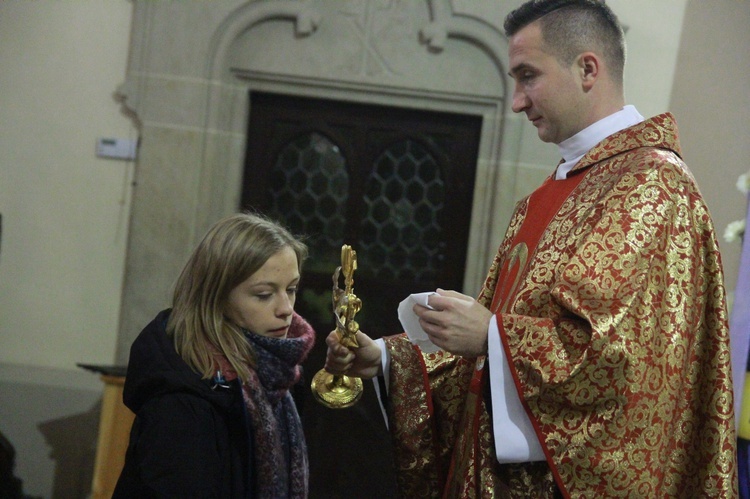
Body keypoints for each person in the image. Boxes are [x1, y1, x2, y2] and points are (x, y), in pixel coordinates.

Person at [324, 0, 738, 497]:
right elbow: (490, 358)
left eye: (528, 76)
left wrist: (493, 337)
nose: (517, 101)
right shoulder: (548, 195)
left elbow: (620, 369)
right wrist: (391, 361)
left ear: (588, 68)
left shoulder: (651, 188)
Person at [113, 212, 315, 498]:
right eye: (263, 294)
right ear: (216, 297)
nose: (286, 308)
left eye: (291, 289)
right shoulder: (182, 403)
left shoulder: (278, 375)